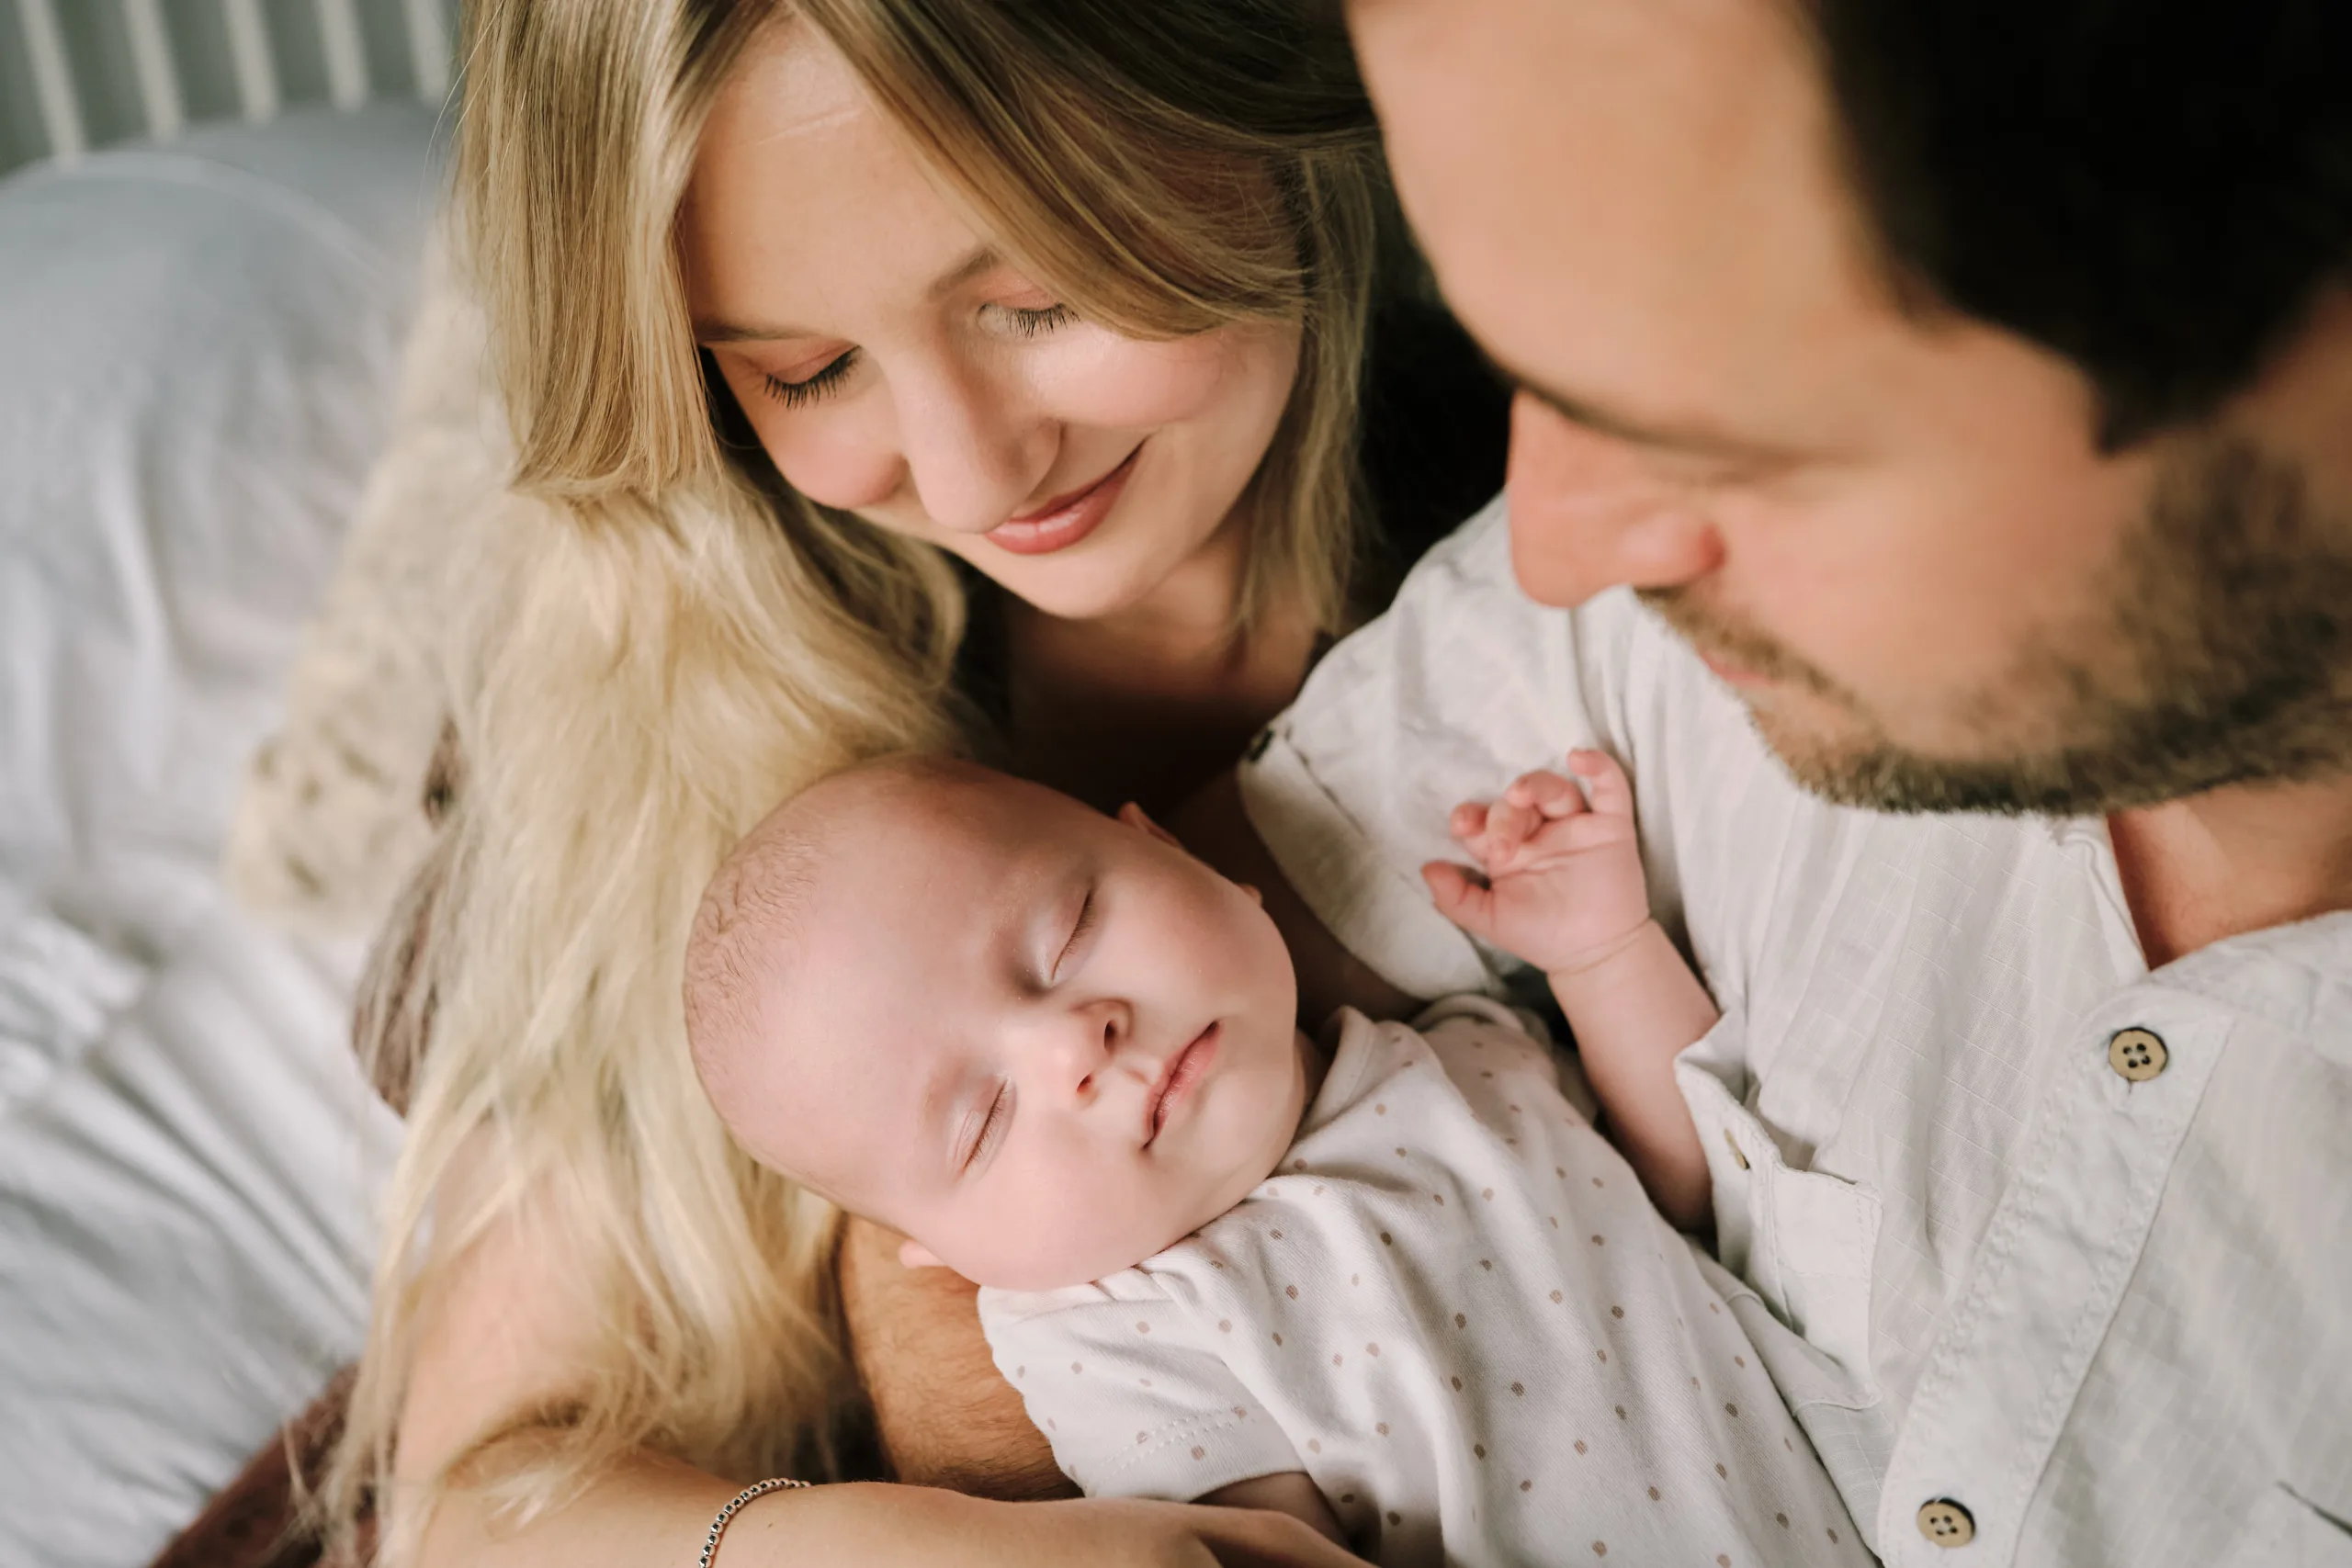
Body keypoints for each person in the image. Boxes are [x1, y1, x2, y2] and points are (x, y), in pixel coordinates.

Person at [864, 0, 2352, 1562]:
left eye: (1719, 424)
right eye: (1534, 374)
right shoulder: (1631, 638)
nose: (1557, 546)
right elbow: (915, 1018)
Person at [317, 0, 1506, 1563]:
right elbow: (466, 1510)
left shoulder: (1550, 553)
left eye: (1039, 294)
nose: (966, 473)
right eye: (808, 370)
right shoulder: (684, 710)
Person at [679, 755, 1868, 1566]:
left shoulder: (1460, 1050)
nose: (1075, 1044)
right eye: (981, 1119)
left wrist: (1604, 955)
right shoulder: (1113, 1334)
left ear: (1174, 853)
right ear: (944, 1256)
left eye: (1068, 933)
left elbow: (1689, 1189)